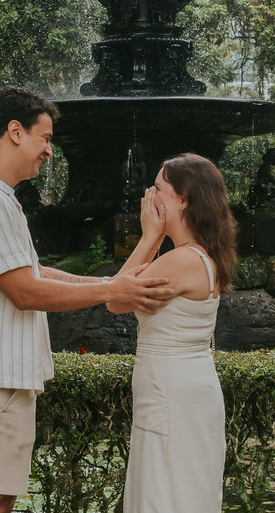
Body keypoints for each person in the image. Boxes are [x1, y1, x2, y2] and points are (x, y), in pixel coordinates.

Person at [0, 86, 175, 513]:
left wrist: (107, 283)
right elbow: (25, 292)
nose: (49, 151)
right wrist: (109, 290)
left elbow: (35, 273)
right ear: (14, 131)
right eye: (44, 138)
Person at [108, 152, 238, 513]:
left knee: (163, 492)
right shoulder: (199, 256)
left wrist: (150, 236)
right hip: (188, 387)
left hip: (171, 391)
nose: (150, 195)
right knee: (183, 490)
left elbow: (116, 299)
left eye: (159, 187)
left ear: (183, 201)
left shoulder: (181, 260)